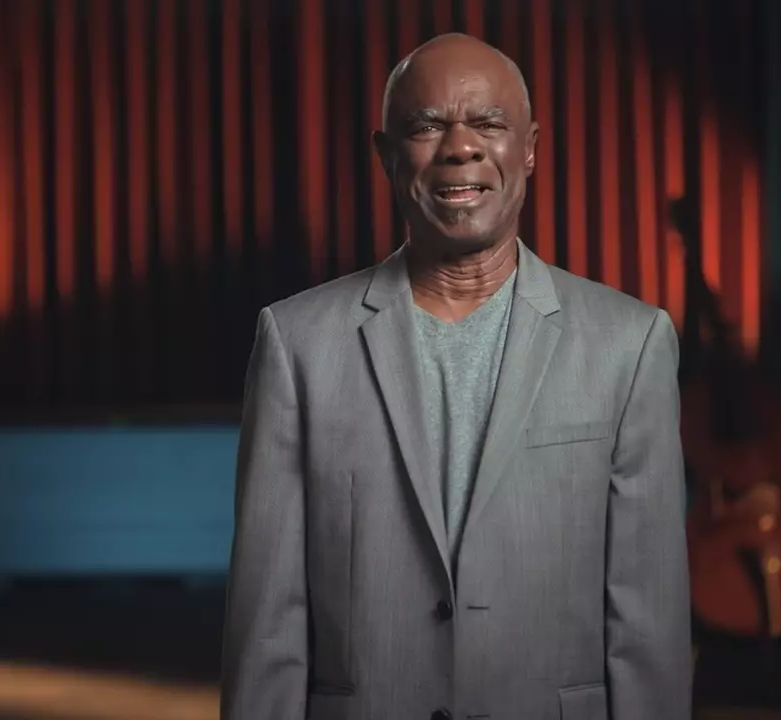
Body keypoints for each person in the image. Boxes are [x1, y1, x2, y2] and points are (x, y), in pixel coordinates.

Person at [220, 33, 691, 720]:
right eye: (427, 126)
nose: (460, 147)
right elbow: (268, 623)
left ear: (530, 147)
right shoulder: (297, 344)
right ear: (386, 155)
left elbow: (648, 626)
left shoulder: (630, 343)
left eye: (488, 124)